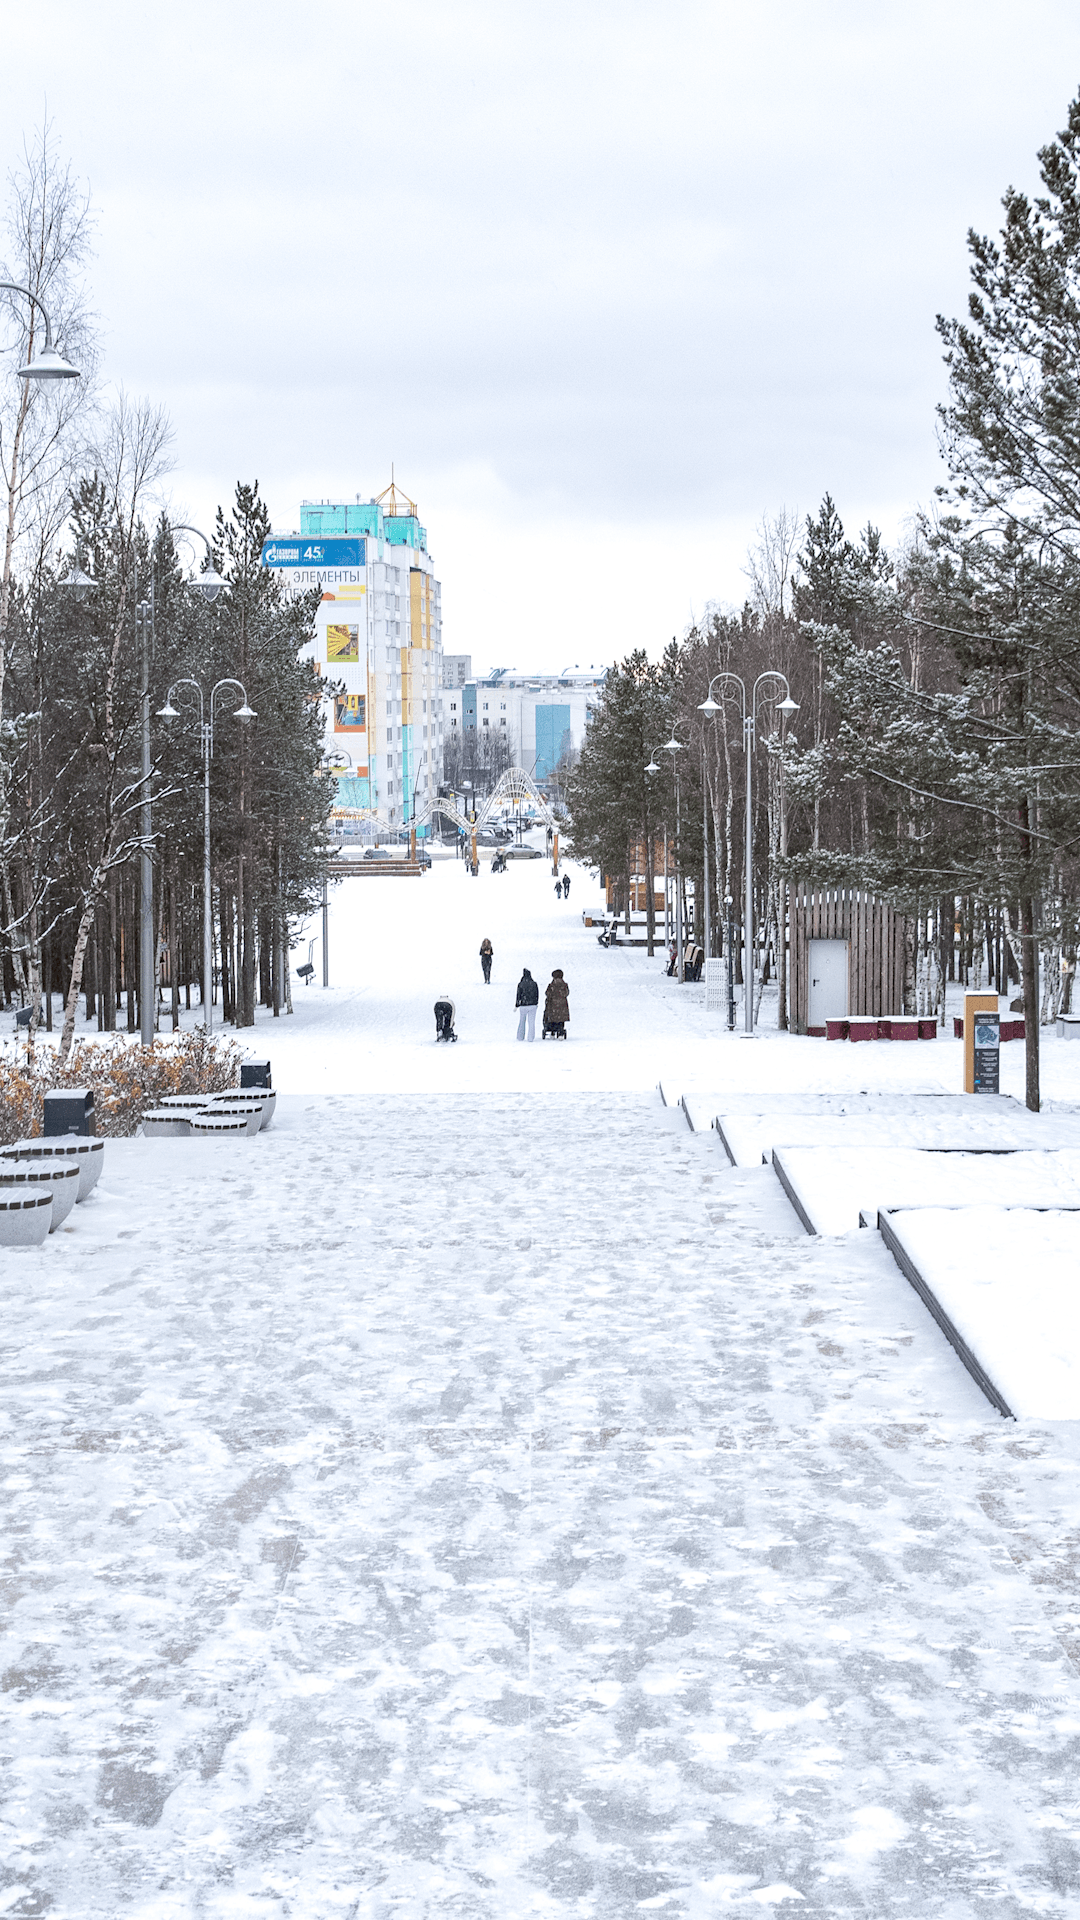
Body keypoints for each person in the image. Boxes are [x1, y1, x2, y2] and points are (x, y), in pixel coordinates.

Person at [543, 968, 570, 1039]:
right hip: (562, 1005)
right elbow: (566, 993)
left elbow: (547, 993)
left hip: (553, 1005)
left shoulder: (552, 985)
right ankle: (560, 1032)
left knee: (553, 1019)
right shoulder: (564, 985)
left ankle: (553, 1032)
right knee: (561, 1020)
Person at [515, 967, 539, 1041]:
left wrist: (517, 1004)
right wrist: (536, 1003)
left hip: (523, 1005)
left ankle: (520, 1037)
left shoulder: (521, 984)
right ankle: (530, 1038)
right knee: (531, 1022)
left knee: (522, 1021)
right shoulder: (534, 983)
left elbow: (518, 995)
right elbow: (537, 994)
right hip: (532, 1005)